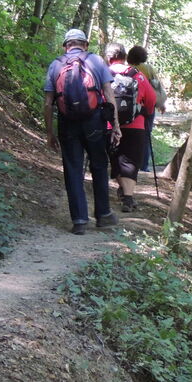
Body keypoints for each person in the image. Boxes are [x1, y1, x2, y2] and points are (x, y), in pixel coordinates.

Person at [44, 29, 121, 235]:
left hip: (67, 123)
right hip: (94, 121)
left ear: (65, 46)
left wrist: (49, 132)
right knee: (98, 165)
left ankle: (79, 220)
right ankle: (103, 215)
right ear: (85, 45)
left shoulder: (56, 64)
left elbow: (48, 102)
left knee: (73, 169)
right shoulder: (96, 61)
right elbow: (108, 94)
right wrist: (115, 126)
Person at [105, 42, 156, 212]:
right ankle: (128, 197)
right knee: (131, 161)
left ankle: (123, 190)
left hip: (110, 124)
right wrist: (146, 112)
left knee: (116, 157)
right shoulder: (137, 75)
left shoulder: (103, 73)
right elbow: (151, 100)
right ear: (125, 57)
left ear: (108, 57)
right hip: (136, 125)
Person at [126, 45, 167, 171]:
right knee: (146, 136)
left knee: (130, 135)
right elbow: (157, 88)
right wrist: (161, 104)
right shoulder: (149, 69)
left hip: (132, 106)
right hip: (149, 106)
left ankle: (130, 163)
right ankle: (143, 166)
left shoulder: (128, 70)